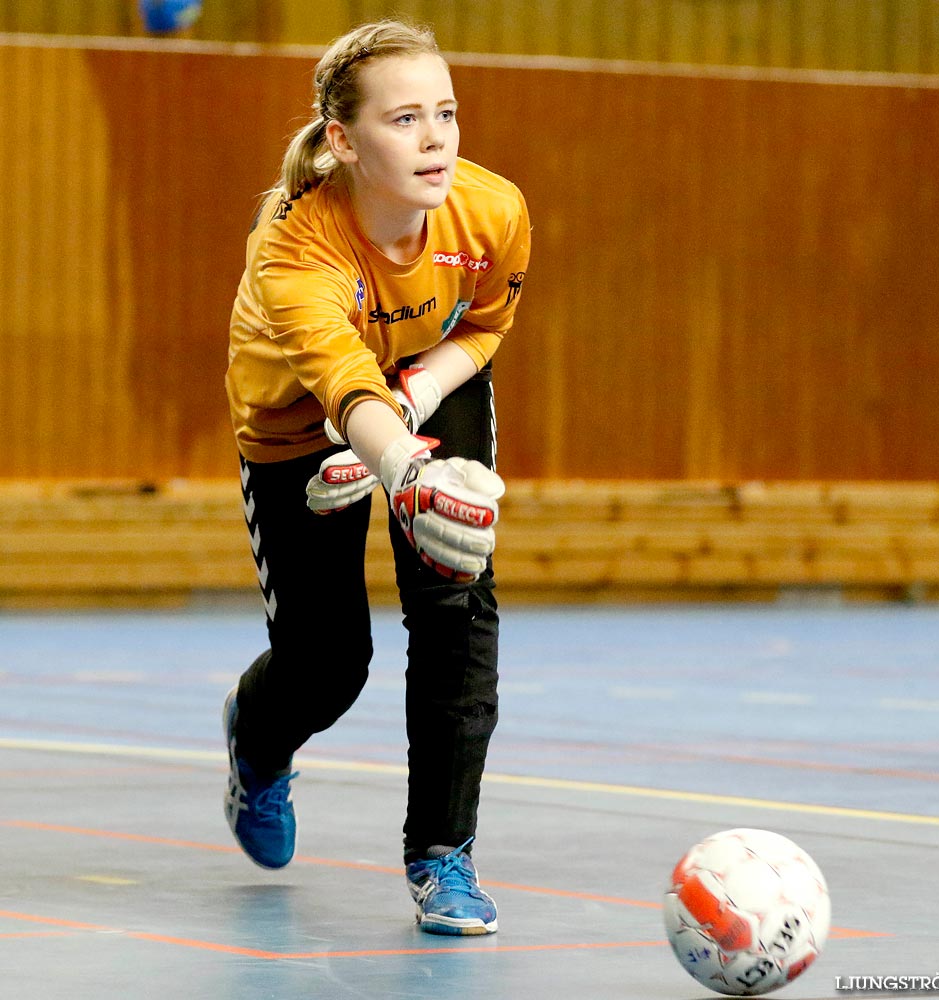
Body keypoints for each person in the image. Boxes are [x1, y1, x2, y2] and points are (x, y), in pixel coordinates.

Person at [222, 18, 531, 937]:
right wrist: (397, 460)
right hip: (298, 423)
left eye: (446, 112)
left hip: (428, 378)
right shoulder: (293, 247)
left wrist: (416, 403)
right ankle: (256, 736)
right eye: (405, 119)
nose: (435, 138)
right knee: (328, 664)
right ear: (344, 140)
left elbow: (484, 327)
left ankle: (443, 854)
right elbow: (339, 382)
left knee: (456, 603)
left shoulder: (493, 211)